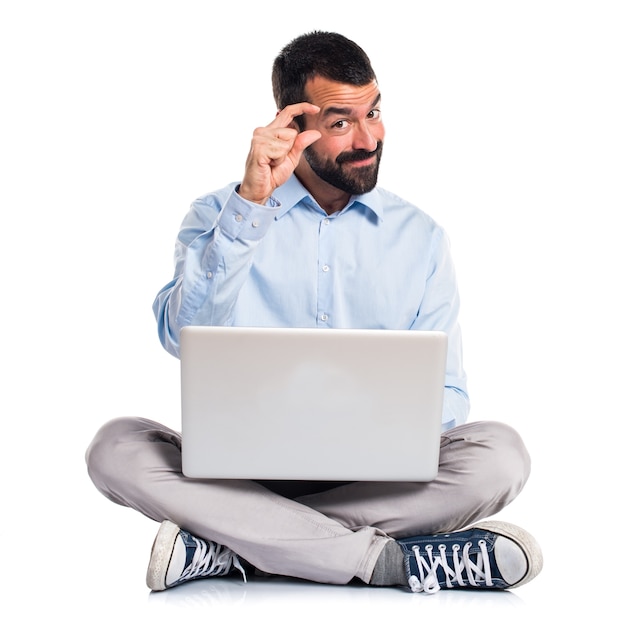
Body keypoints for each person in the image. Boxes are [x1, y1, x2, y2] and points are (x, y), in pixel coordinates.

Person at [86, 31, 543, 594]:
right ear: (294, 127)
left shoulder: (421, 238)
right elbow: (183, 335)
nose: (369, 137)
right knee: (116, 448)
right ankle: (387, 562)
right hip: (241, 475)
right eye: (340, 122)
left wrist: (376, 432)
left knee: (500, 457)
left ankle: (234, 549)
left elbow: (447, 394)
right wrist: (250, 208)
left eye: (374, 112)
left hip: (371, 479)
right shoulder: (219, 213)